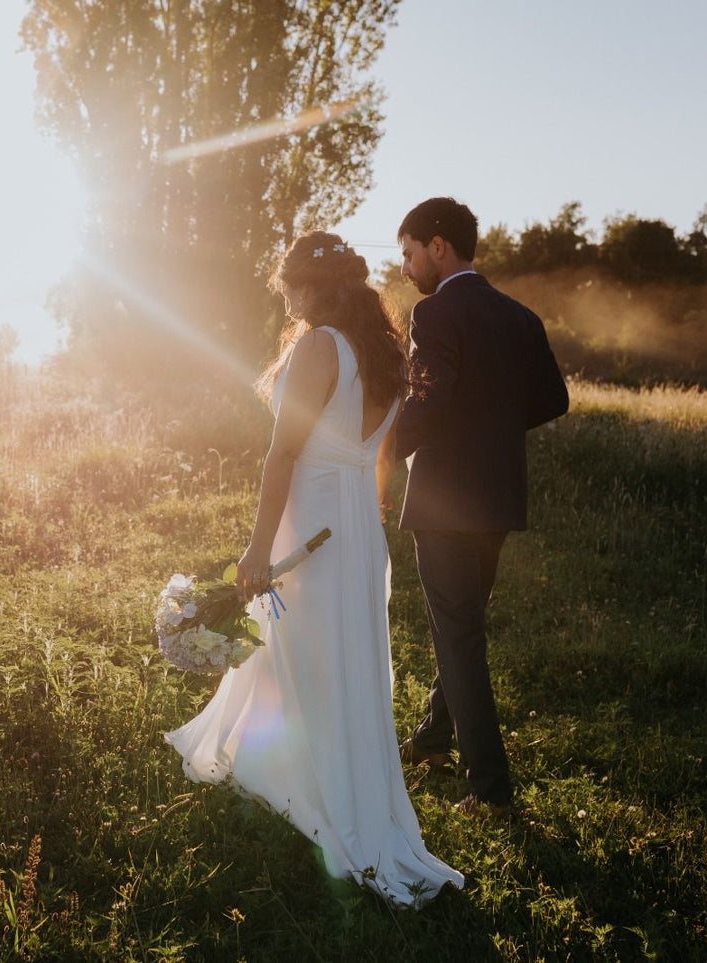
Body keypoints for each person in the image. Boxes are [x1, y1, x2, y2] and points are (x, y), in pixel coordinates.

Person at [164, 231, 464, 905]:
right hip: (355, 523)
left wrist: (256, 548)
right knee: (339, 659)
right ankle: (321, 779)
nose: (288, 300)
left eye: (289, 288)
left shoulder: (318, 345)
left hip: (313, 515)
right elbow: (381, 450)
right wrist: (370, 505)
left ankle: (323, 796)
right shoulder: (381, 350)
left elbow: (282, 455)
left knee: (312, 656)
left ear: (308, 286)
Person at [392, 197, 570, 815]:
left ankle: (491, 792)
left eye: (410, 253)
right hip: (497, 498)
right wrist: (491, 427)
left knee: (458, 634)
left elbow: (427, 400)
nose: (406, 268)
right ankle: (433, 740)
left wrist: (378, 452)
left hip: (444, 502)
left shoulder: (435, 312)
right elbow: (554, 398)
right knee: (462, 626)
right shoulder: (520, 316)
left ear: (439, 246)